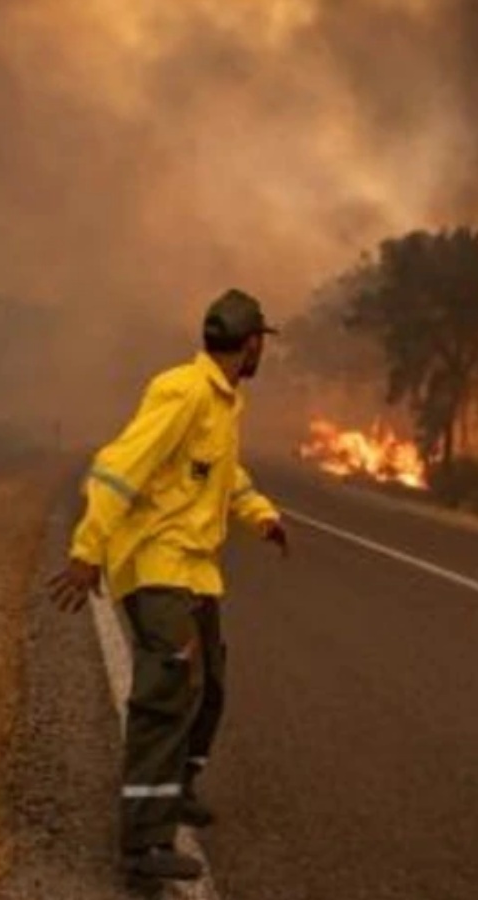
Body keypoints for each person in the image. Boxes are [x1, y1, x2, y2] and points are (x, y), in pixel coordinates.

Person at [48, 288, 289, 883]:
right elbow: (117, 467)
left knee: (210, 688)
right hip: (157, 564)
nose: (264, 352)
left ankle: (175, 787)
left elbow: (224, 474)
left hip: (195, 567)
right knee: (166, 694)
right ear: (252, 343)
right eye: (263, 342)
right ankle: (143, 846)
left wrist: (262, 515)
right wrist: (86, 550)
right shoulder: (181, 391)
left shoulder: (224, 401)